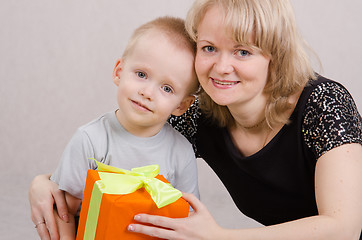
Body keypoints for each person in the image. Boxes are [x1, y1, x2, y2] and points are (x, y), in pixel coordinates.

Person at [30, 0, 362, 239]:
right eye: (208, 47)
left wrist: (219, 238)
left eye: (242, 51)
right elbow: (122, 150)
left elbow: (344, 227)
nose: (220, 67)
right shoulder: (198, 112)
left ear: (274, 57)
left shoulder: (324, 104)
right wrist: (44, 182)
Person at [29, 16, 200, 239]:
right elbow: (64, 210)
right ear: (119, 72)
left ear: (181, 105)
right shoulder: (90, 139)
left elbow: (188, 217)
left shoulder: (181, 151)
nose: (147, 92)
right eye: (141, 74)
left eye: (166, 88)